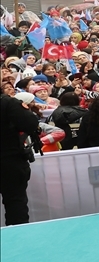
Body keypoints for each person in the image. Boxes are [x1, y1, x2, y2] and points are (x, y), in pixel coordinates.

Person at [0, 93, 41, 225]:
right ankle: (18, 241)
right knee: (15, 204)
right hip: (8, 160)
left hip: (9, 160)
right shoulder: (8, 103)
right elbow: (31, 123)